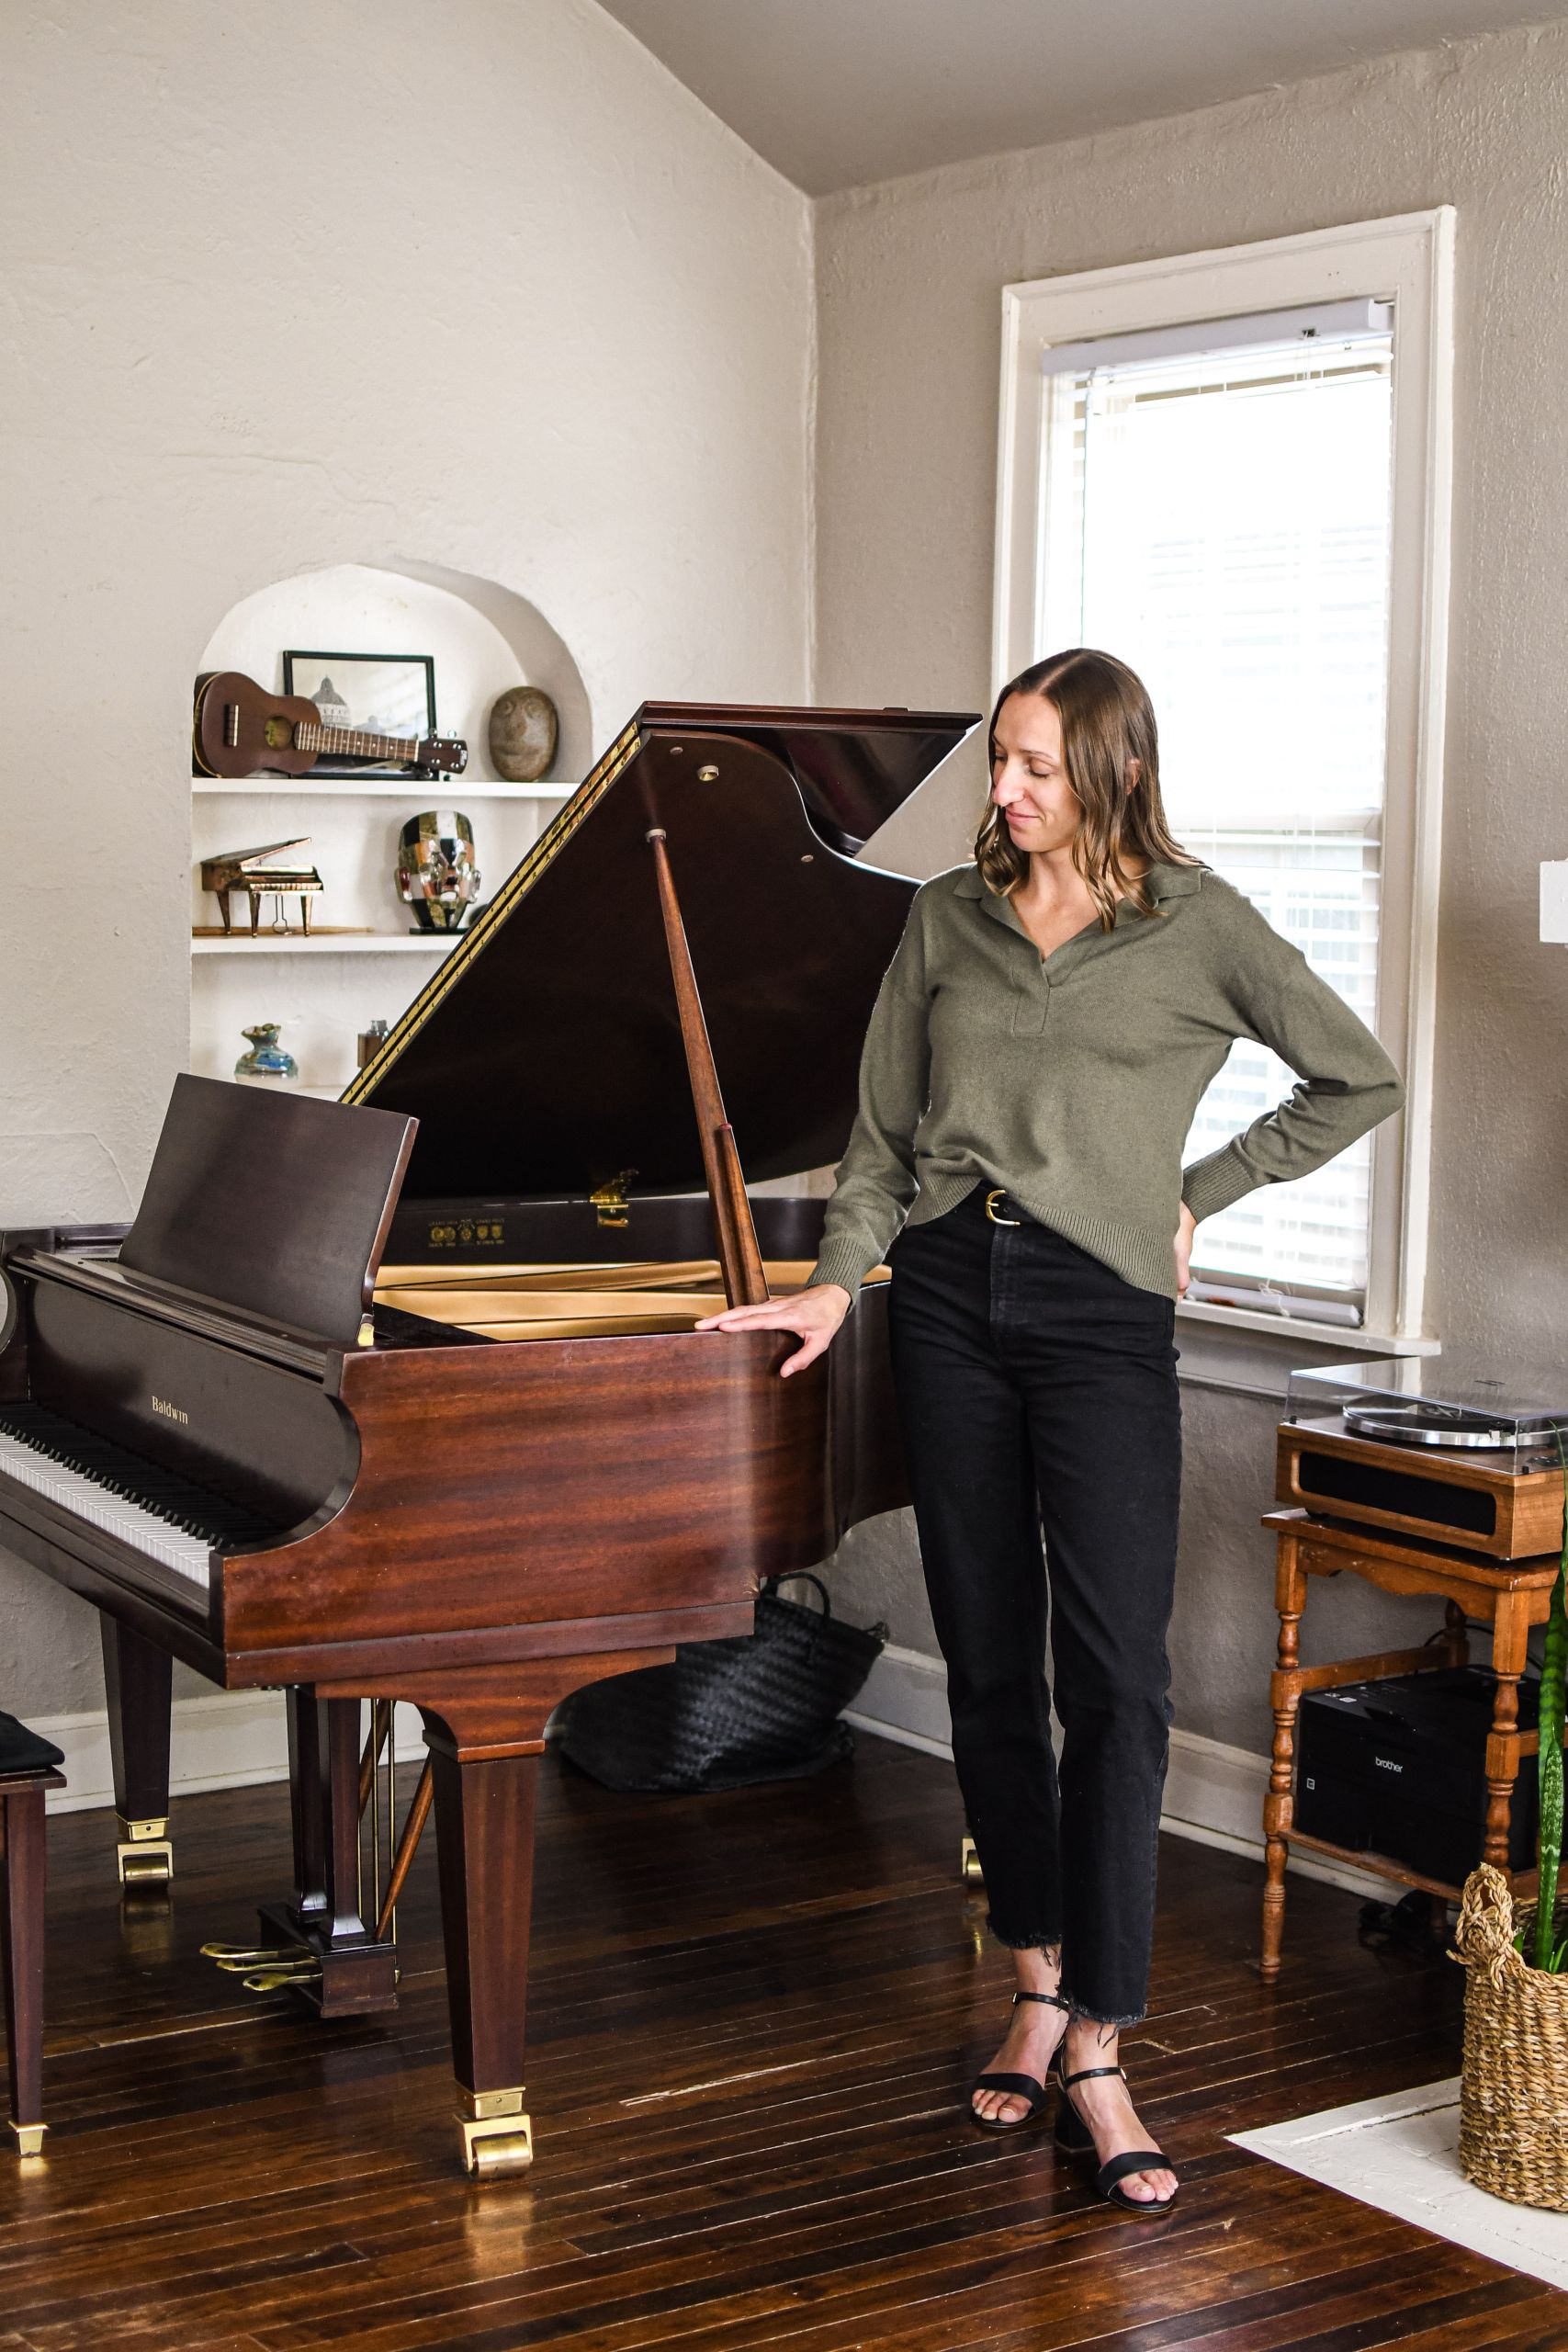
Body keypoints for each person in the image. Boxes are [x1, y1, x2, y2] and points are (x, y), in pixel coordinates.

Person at [698, 649, 1405, 2214]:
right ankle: (1033, 1974)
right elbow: (882, 1142)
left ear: (1112, 774)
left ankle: (1103, 2038)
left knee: (1121, 1679)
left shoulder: (1198, 926)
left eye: (1031, 768)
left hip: (1100, 1318)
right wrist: (830, 1291)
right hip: (945, 1297)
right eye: (999, 765)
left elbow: (1359, 1076)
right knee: (990, 1664)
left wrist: (1195, 1196)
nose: (1001, 793)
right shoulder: (945, 921)